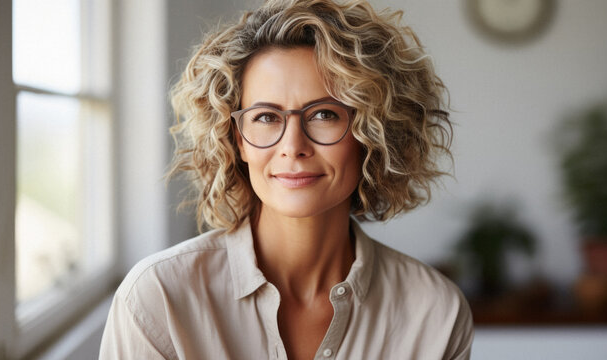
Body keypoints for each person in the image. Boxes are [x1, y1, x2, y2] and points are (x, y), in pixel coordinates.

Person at [100, 0, 474, 359]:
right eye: (265, 117)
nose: (293, 146)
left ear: (373, 135)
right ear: (237, 140)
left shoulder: (435, 313)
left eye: (325, 114)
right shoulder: (158, 298)